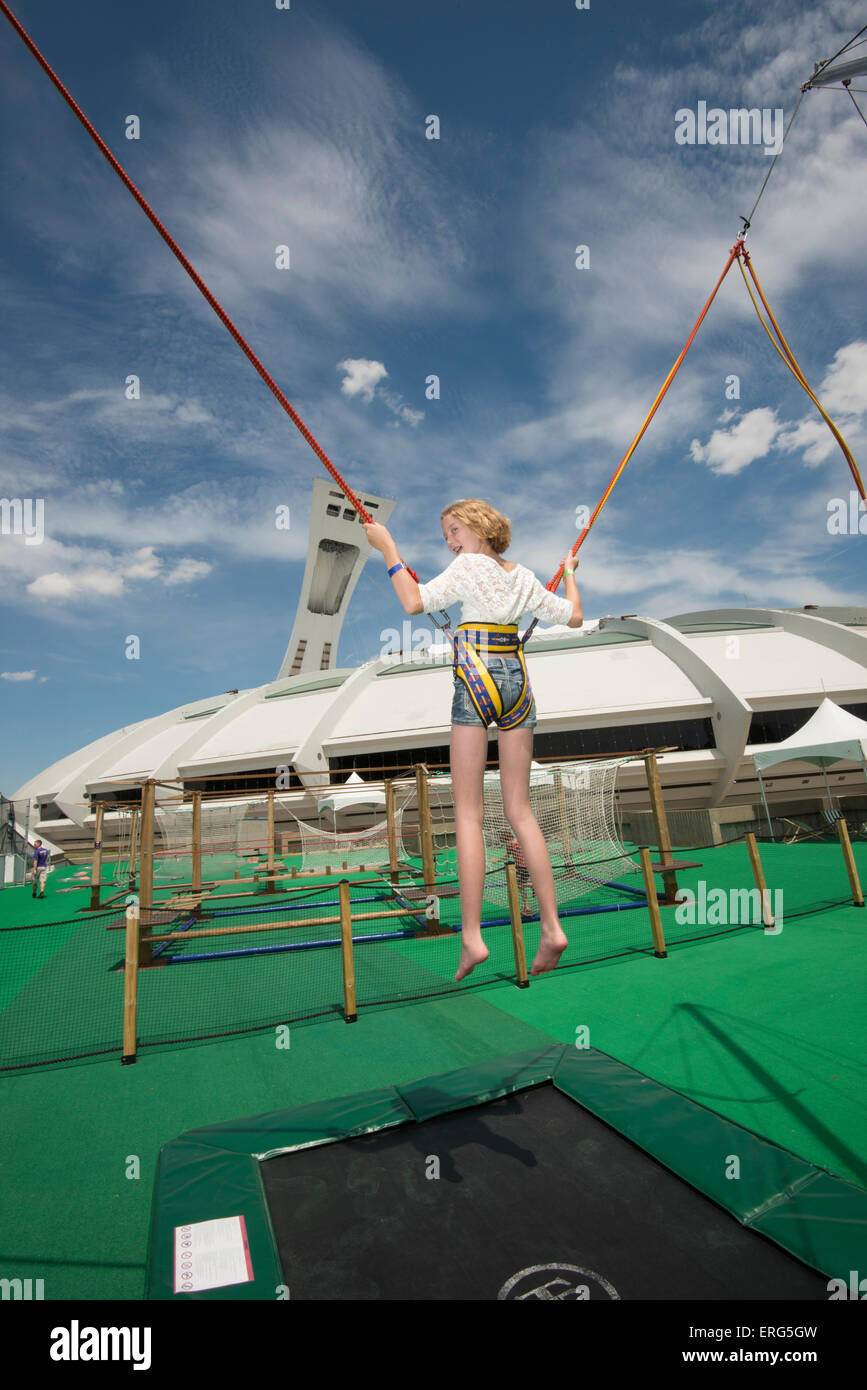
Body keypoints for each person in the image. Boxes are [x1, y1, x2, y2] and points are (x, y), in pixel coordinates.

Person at [364, 497, 583, 981]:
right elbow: (574, 618)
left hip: (477, 679)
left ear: (478, 529)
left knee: (468, 813)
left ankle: (472, 936)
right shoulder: (524, 577)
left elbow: (413, 601)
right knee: (519, 810)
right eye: (447, 533)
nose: (449, 540)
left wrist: (387, 549)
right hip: (518, 685)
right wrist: (568, 573)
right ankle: (551, 927)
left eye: (454, 529)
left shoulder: (466, 567)